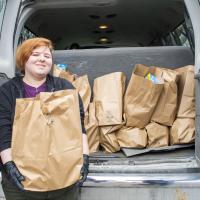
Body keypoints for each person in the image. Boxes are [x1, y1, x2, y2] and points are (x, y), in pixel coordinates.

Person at [0, 37, 89, 200]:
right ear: (23, 59)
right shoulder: (7, 91)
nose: (42, 59)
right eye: (35, 54)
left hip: (63, 180)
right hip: (21, 182)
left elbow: (79, 125)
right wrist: (9, 165)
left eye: (47, 56)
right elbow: (2, 131)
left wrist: (85, 157)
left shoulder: (65, 87)